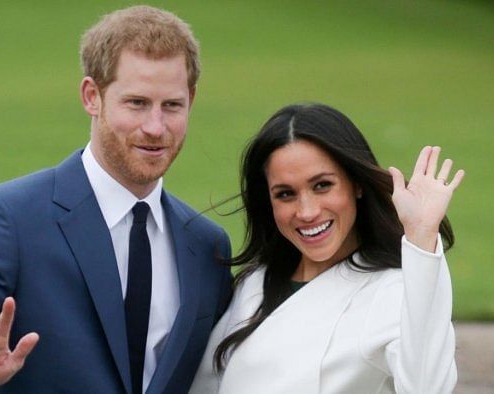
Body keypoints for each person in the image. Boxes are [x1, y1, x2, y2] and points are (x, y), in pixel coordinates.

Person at [0, 5, 232, 394]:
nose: (156, 128)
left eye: (171, 105)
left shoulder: (207, 245)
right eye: (137, 103)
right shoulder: (9, 218)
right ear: (92, 96)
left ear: (190, 100)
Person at [191, 103, 464, 393]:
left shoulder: (392, 291)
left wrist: (421, 237)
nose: (307, 212)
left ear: (356, 184)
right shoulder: (254, 282)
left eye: (322, 185)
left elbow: (428, 386)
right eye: (285, 194)